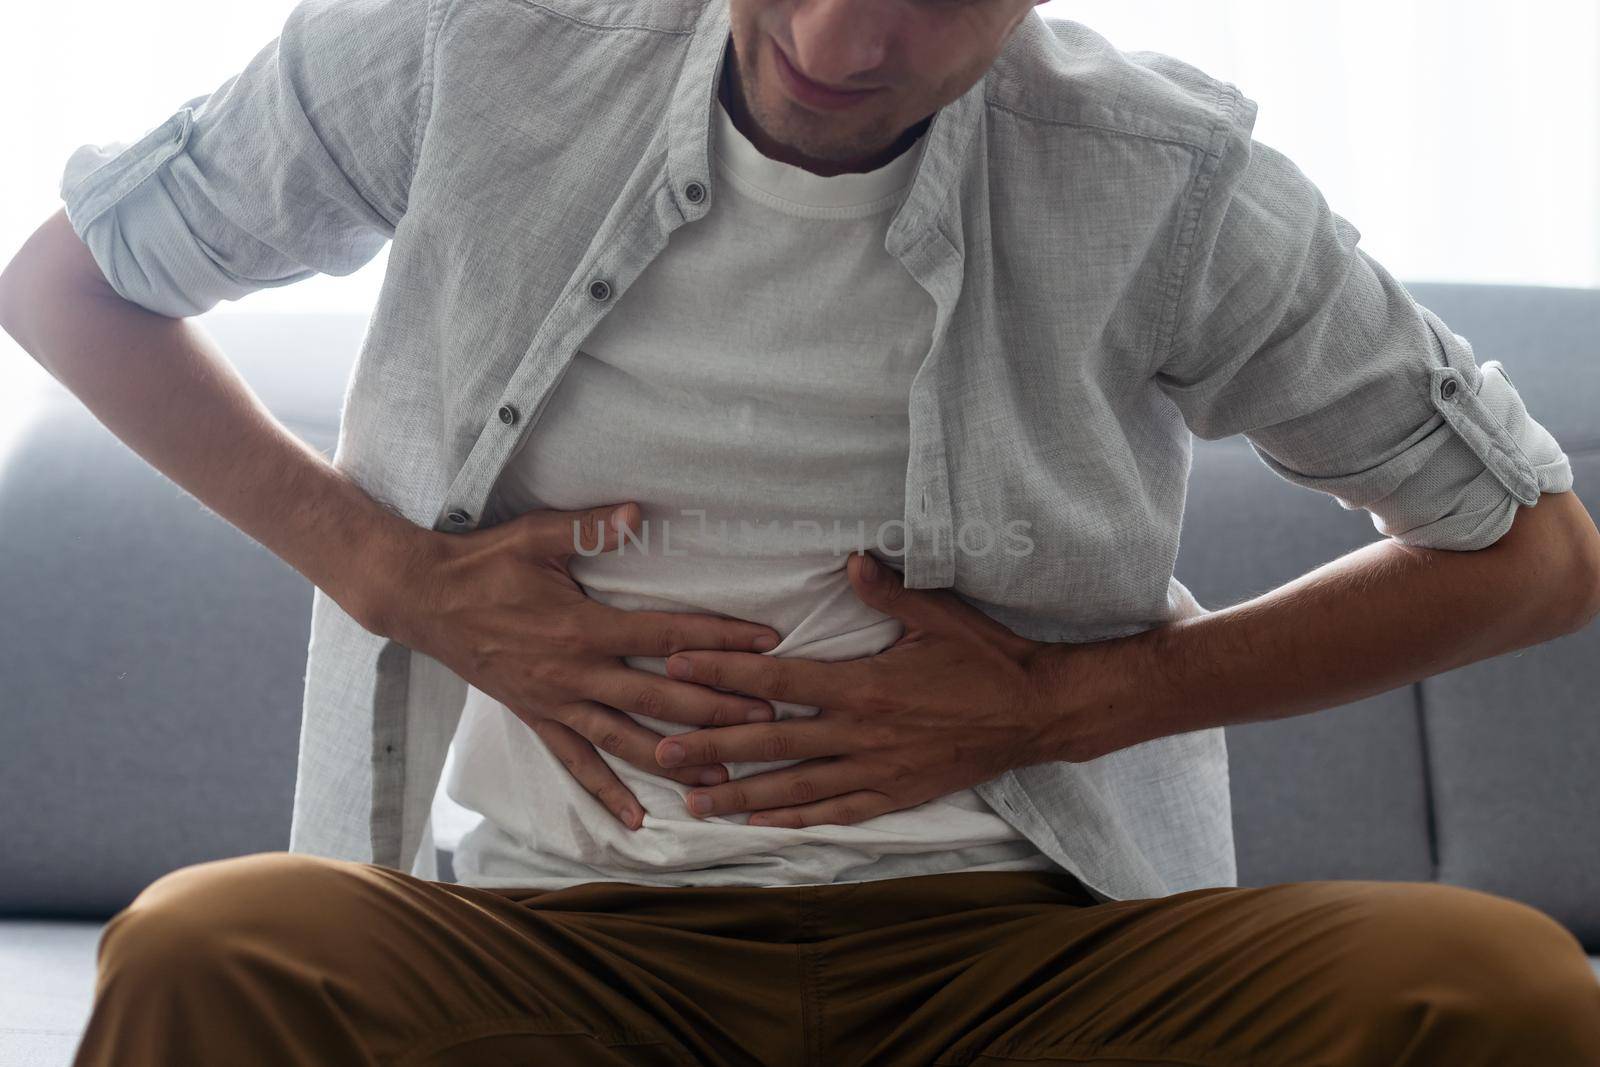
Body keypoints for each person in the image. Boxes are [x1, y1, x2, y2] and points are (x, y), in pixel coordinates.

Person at [2, 0, 1598, 1063]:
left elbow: (1536, 553)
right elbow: (67, 282)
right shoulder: (471, 45)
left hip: (1018, 965)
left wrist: (1077, 702)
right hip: (558, 949)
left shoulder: (1167, 181)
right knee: (209, 949)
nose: (841, 38)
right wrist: (391, 574)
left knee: (1498, 992)